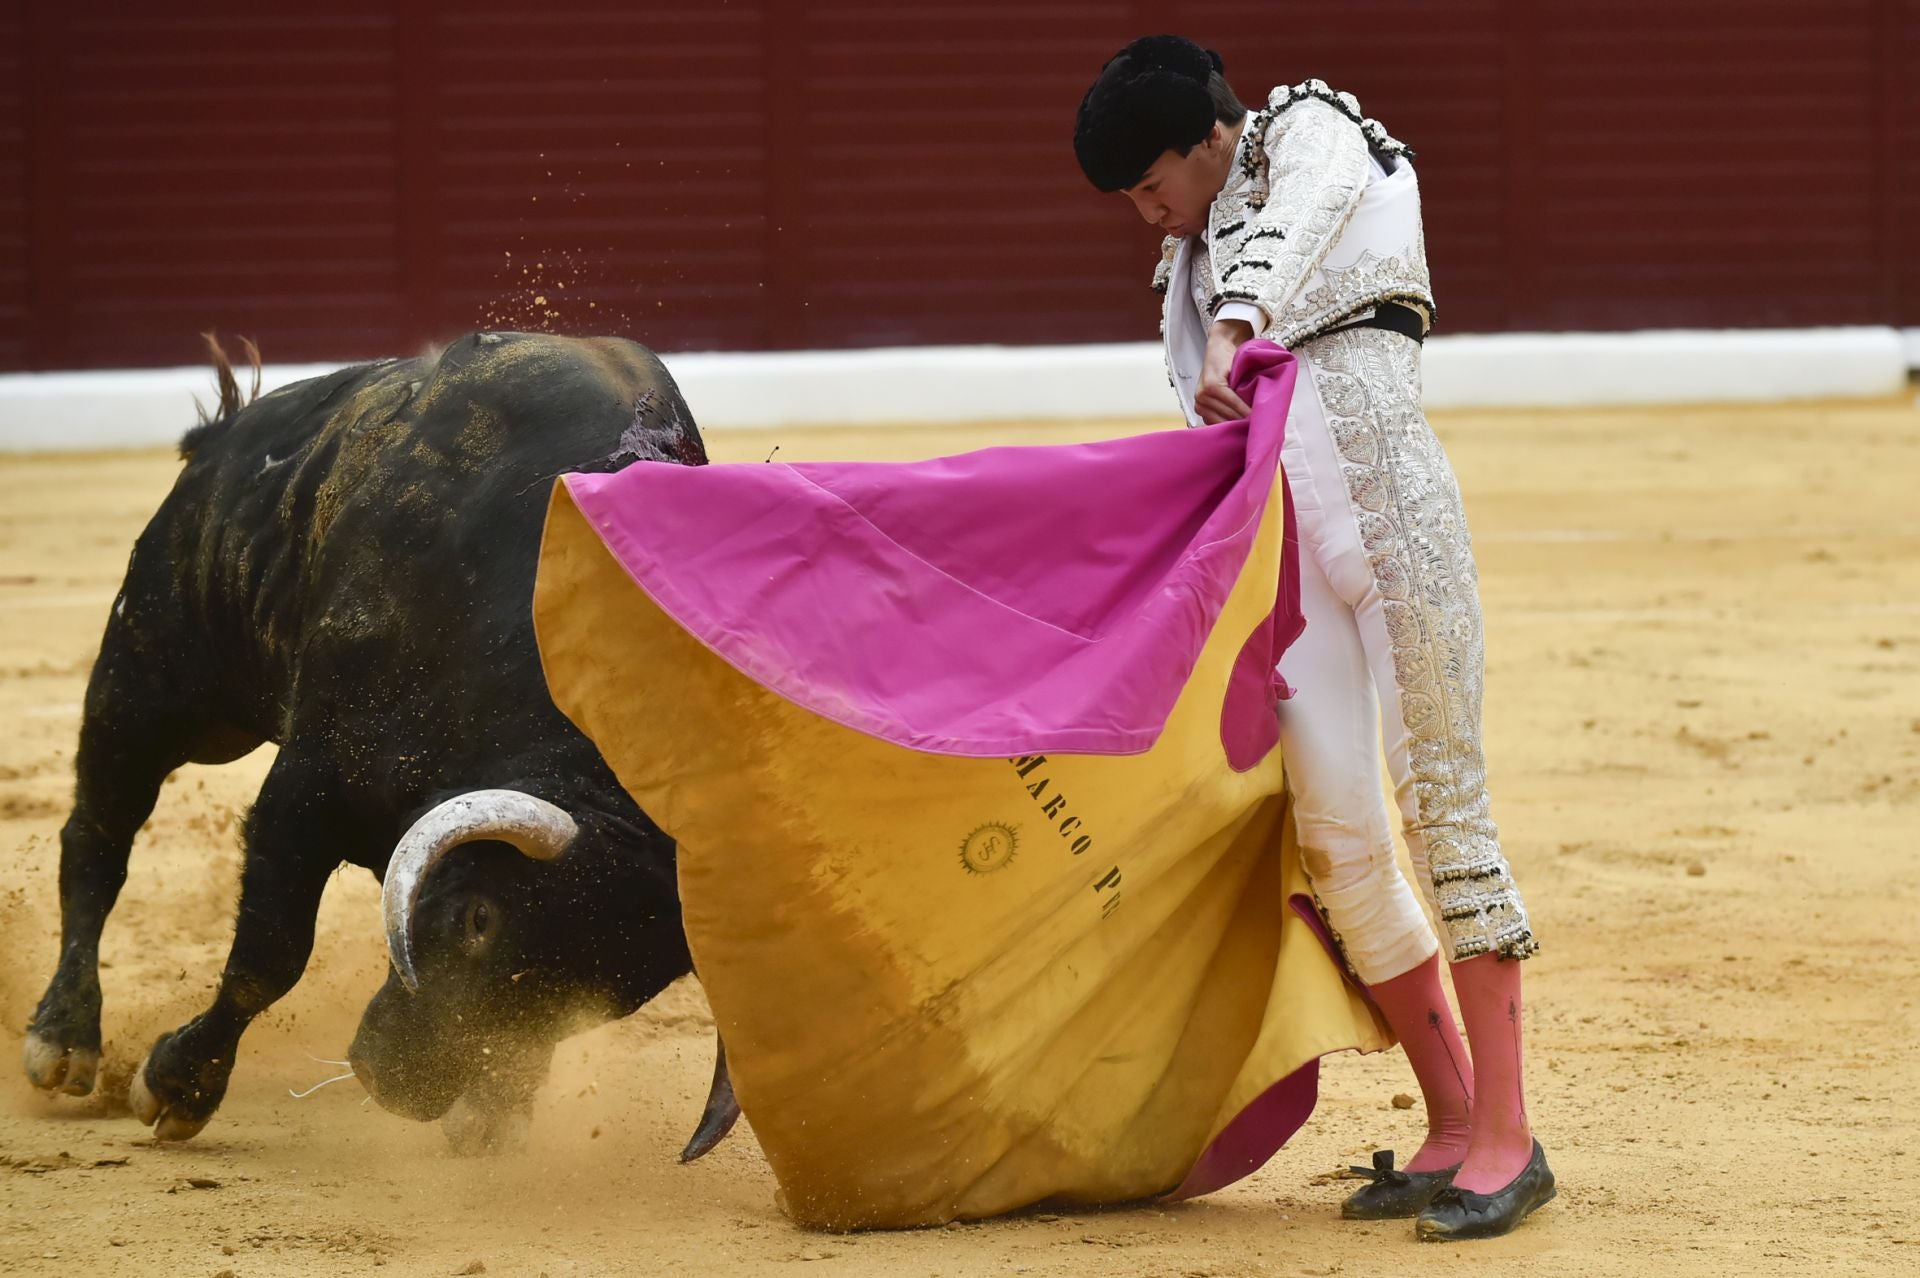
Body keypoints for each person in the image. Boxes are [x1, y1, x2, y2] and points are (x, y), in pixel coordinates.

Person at [1073, 36, 1555, 1241]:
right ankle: (1450, 1118)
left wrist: (1238, 317)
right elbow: (1200, 426)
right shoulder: (1187, 272)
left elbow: (1303, 217)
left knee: (1443, 804)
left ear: (1208, 140)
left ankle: (1512, 1139)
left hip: (1396, 523)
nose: (1150, 217)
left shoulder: (1317, 132)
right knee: (1338, 833)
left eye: (1151, 187)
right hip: (1292, 565)